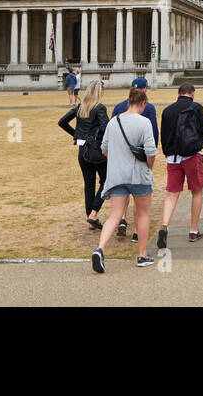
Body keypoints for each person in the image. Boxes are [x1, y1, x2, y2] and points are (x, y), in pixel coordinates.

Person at [91, 87, 158, 273]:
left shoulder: (114, 122)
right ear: (143, 103)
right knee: (142, 214)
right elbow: (151, 152)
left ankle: (100, 249)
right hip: (138, 175)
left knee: (115, 215)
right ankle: (142, 254)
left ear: (128, 102)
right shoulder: (144, 122)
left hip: (117, 175)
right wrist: (148, 167)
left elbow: (104, 150)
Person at [158, 81, 203, 247]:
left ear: (179, 93)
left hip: (172, 157)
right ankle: (193, 230)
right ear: (192, 93)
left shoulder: (167, 111)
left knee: (172, 194)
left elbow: (164, 135)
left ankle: (164, 226)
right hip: (191, 155)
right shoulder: (196, 108)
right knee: (196, 191)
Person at [110, 75, 159, 238]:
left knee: (122, 191)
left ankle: (122, 219)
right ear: (145, 90)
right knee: (140, 194)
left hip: (121, 155)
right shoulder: (149, 108)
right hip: (140, 155)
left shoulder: (118, 107)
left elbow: (111, 131)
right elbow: (154, 133)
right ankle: (137, 232)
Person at [59, 80, 108, 229]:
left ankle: (90, 218)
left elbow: (62, 122)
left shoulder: (80, 107)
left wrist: (77, 136)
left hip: (83, 150)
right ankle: (94, 212)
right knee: (106, 180)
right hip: (97, 150)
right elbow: (107, 128)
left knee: (89, 183)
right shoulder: (99, 108)